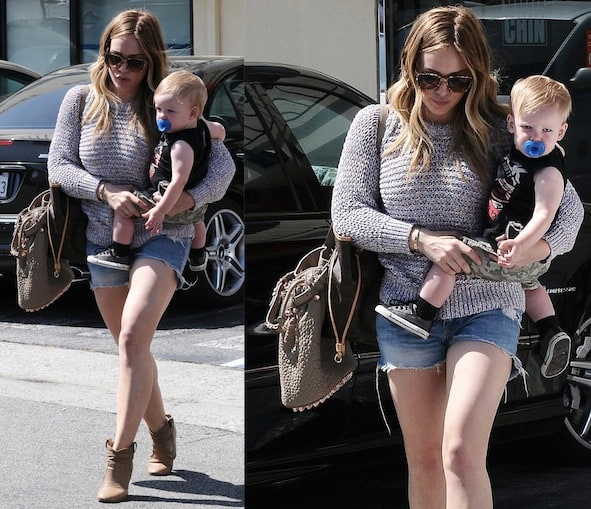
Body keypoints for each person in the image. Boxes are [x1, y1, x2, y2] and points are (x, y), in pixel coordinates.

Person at [331, 6, 583, 509]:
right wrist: (419, 240)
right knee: (424, 459)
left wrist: (538, 246)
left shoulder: (500, 130)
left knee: (461, 452)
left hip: (487, 304)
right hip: (407, 311)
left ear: (477, 75)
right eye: (429, 77)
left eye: (458, 79)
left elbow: (569, 211)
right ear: (409, 68)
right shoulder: (376, 126)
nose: (443, 90)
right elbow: (347, 215)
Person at [47, 9, 236, 503]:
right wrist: (105, 191)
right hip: (103, 236)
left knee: (133, 336)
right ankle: (163, 430)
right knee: (133, 349)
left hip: (164, 235)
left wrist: (187, 202)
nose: (122, 69)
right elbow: (59, 166)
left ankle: (118, 458)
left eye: (133, 61)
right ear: (104, 54)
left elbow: (222, 165)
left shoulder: (168, 102)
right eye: (114, 57)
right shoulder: (81, 100)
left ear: (151, 59)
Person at [375, 74, 573, 378]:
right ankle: (550, 330)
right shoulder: (515, 150)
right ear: (511, 125)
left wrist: (527, 246)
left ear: (561, 132)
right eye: (527, 128)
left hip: (508, 248)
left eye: (547, 130)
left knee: (451, 259)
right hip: (514, 254)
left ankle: (421, 315)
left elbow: (546, 214)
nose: (537, 137)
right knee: (531, 284)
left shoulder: (548, 171)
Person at [87, 70, 225, 277]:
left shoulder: (180, 145)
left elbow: (178, 182)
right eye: (159, 109)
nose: (161, 116)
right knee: (198, 220)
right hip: (193, 204)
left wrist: (160, 211)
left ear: (193, 113)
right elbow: (220, 130)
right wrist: (216, 135)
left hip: (165, 197)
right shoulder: (203, 128)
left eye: (170, 111)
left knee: (124, 208)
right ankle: (198, 256)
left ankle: (119, 253)